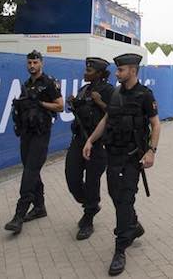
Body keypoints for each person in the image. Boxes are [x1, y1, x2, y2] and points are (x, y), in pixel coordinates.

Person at [83, 53, 161, 276]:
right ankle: (133, 226)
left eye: (121, 70)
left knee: (125, 198)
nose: (117, 74)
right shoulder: (116, 94)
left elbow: (156, 124)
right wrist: (90, 140)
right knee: (115, 195)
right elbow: (106, 120)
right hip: (113, 155)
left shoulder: (144, 95)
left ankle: (120, 248)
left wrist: (151, 151)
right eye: (117, 70)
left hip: (132, 157)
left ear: (133, 71)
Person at [5, 50, 63, 234]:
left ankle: (19, 215)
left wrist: (40, 103)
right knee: (30, 169)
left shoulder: (48, 82)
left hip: (41, 133)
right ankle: (39, 207)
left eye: (35, 63)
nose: (32, 66)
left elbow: (60, 106)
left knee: (30, 171)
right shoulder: (26, 83)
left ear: (41, 64)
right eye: (29, 63)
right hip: (26, 133)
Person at [65, 57, 114, 240]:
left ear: (100, 74)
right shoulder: (84, 90)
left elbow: (114, 113)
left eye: (90, 71)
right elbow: (81, 113)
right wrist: (74, 103)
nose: (86, 73)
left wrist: (101, 102)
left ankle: (88, 218)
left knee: (92, 181)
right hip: (79, 141)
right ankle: (91, 205)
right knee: (72, 178)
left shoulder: (108, 91)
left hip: (98, 144)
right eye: (86, 70)